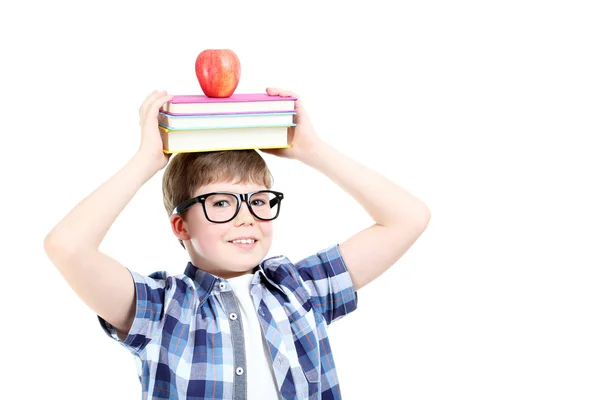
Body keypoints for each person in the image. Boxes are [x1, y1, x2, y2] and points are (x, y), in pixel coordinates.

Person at [44, 87, 431, 399]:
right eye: (222, 203)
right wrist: (146, 161)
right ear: (180, 225)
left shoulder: (299, 288)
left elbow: (408, 218)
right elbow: (67, 246)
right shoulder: (161, 307)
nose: (247, 216)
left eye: (259, 201)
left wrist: (314, 151)